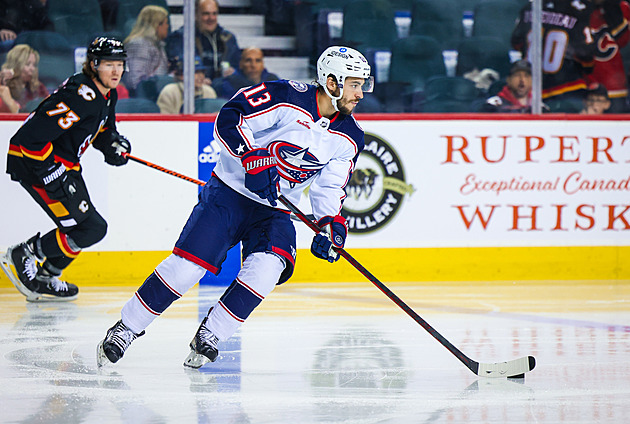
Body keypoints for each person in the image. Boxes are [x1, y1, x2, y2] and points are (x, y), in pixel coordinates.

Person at [96, 45, 374, 368]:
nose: (360, 94)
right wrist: (252, 159)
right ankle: (127, 327)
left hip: (275, 209)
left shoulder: (351, 136)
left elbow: (330, 189)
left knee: (269, 268)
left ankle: (212, 333)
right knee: (188, 268)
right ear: (332, 82)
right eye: (355, 84)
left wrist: (331, 226)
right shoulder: (285, 96)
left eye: (362, 85)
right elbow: (230, 117)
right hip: (230, 193)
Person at [0, 37, 132, 302]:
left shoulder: (107, 94)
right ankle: (25, 254)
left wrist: (113, 145)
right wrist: (53, 174)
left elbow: (103, 129)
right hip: (35, 162)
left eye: (120, 64)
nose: (116, 71)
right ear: (94, 64)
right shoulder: (79, 95)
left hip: (63, 165)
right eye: (109, 64)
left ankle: (45, 277)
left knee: (89, 228)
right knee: (88, 227)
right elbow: (30, 138)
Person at [511, 0, 597, 112]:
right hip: (569, 89)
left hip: (532, 92)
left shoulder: (529, 8)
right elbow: (587, 58)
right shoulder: (580, 10)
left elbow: (516, 44)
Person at [165, 0, 241, 81]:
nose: (211, 18)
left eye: (214, 14)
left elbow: (238, 66)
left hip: (223, 86)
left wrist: (233, 72)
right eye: (206, 14)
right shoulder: (182, 37)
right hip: (193, 86)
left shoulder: (228, 39)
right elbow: (181, 66)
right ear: (195, 15)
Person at [587, 0, 630, 113]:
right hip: (585, 88)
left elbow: (625, 42)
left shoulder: (622, 7)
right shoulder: (576, 7)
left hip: (616, 89)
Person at [123, 5, 170, 92]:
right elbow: (135, 80)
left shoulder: (158, 44)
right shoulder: (139, 44)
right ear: (157, 25)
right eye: (166, 23)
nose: (167, 26)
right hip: (143, 97)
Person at [215, 46, 280, 99]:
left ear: (263, 64)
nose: (253, 65)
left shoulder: (273, 81)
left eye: (257, 60)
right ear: (241, 64)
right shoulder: (229, 83)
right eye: (248, 60)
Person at [0, 44, 49, 112]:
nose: (32, 69)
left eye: (34, 65)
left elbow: (48, 109)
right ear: (16, 65)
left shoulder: (39, 88)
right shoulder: (3, 87)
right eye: (28, 64)